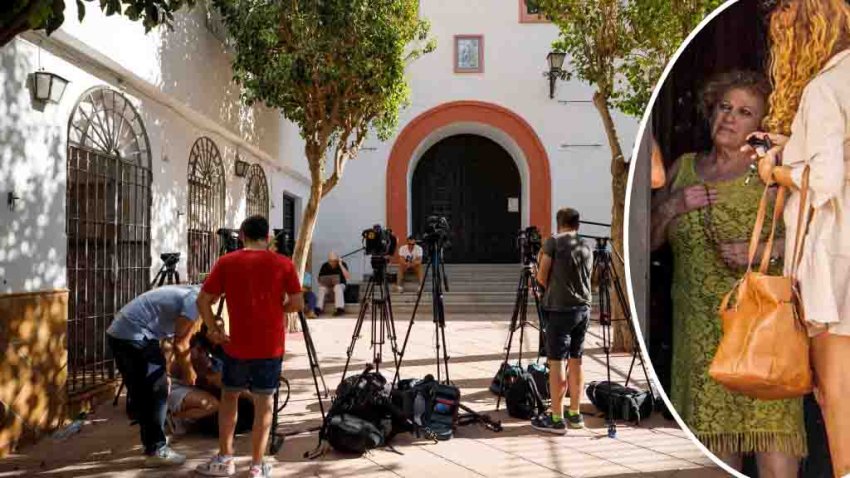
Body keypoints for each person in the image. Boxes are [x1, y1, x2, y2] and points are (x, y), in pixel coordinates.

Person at [651, 70, 804, 474]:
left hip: (763, 334)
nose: (730, 118)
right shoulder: (682, 169)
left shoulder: (774, 174)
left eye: (744, 112)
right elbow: (645, 243)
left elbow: (819, 237)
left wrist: (765, 256)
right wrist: (672, 206)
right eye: (724, 107)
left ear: (760, 127)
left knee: (774, 458)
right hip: (698, 340)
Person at [744, 1, 850, 474]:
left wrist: (774, 168)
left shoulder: (825, 87)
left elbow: (824, 182)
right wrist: (794, 146)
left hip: (835, 260)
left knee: (837, 395)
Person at [195, 215, 303, 478]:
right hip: (270, 347)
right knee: (264, 402)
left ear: (242, 235)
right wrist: (280, 308)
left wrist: (213, 329)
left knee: (229, 397)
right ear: (268, 238)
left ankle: (225, 459)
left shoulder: (227, 262)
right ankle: (257, 465)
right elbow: (298, 303)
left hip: (236, 347)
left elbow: (203, 300)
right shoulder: (283, 264)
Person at [105, 284, 201, 467]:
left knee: (145, 389)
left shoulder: (189, 292)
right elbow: (180, 343)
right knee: (156, 393)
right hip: (135, 335)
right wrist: (189, 370)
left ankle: (152, 443)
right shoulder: (194, 301)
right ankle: (156, 448)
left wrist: (164, 373)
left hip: (119, 333)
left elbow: (166, 341)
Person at [531, 208, 592, 435]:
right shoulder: (586, 245)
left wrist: (545, 290)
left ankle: (556, 418)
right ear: (577, 224)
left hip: (559, 310)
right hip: (583, 310)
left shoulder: (553, 242)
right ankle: (575, 414)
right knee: (576, 361)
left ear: (559, 223)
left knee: (556, 362)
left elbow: (541, 275)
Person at [316, 251, 350, 316]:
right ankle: (318, 308)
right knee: (321, 288)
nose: (332, 262)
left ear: (337, 259)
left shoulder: (343, 264)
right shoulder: (324, 266)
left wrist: (340, 264)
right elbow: (320, 279)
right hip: (328, 287)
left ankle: (340, 308)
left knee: (337, 287)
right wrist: (320, 281)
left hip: (340, 286)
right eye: (330, 261)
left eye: (334, 261)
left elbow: (347, 277)